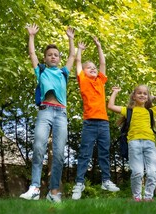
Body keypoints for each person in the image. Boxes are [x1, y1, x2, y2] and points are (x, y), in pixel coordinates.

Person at [20, 24, 75, 203]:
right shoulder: (41, 71)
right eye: (50, 54)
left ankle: (53, 192)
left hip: (61, 114)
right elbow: (32, 54)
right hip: (44, 112)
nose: (53, 56)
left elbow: (73, 56)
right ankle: (34, 188)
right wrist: (31, 36)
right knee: (38, 147)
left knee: (59, 154)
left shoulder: (63, 73)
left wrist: (70, 39)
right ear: (45, 58)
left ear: (59, 59)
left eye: (56, 55)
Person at [71, 37, 120, 200]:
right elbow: (78, 62)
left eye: (93, 67)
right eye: (88, 67)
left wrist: (99, 46)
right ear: (83, 72)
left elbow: (103, 64)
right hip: (89, 123)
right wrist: (79, 50)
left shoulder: (100, 81)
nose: (92, 69)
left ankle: (106, 180)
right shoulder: (83, 80)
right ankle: (79, 183)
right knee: (85, 153)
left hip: (104, 123)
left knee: (104, 153)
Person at [108, 85, 156, 202]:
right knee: (137, 172)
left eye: (145, 94)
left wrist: (154, 97)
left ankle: (148, 197)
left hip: (150, 143)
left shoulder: (151, 111)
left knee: (153, 172)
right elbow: (110, 106)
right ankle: (137, 197)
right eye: (139, 93)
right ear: (134, 96)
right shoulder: (129, 111)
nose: (142, 95)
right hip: (134, 143)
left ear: (147, 97)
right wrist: (115, 92)